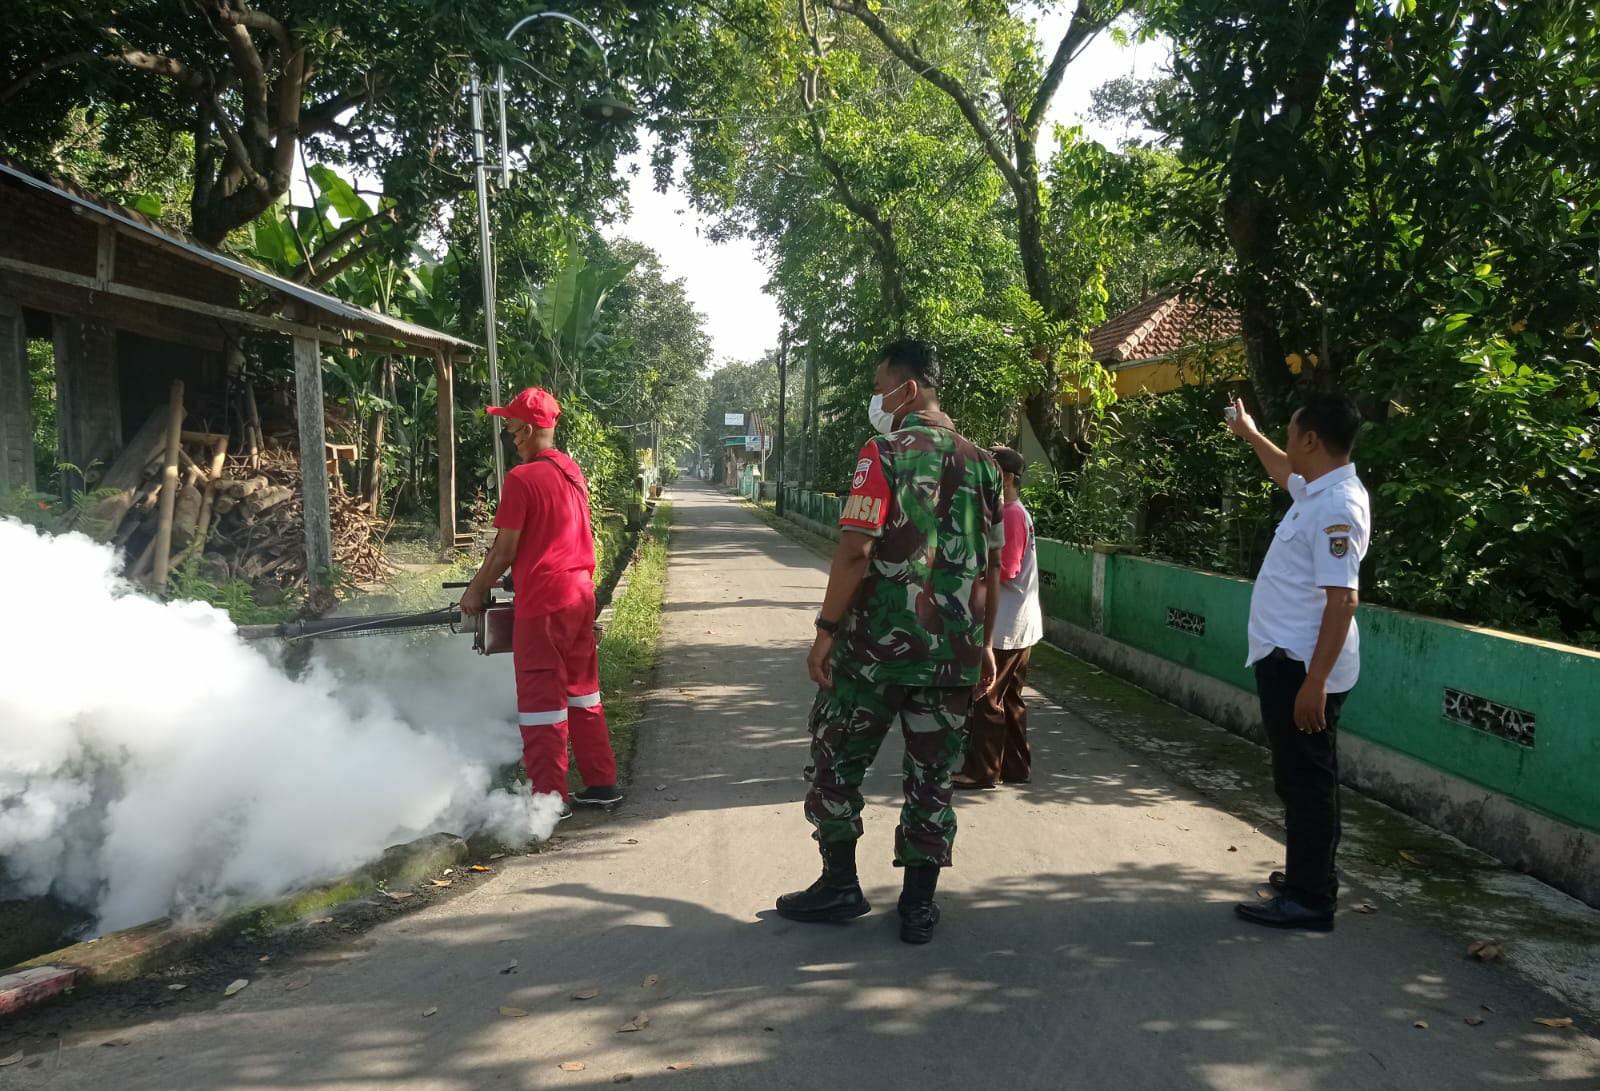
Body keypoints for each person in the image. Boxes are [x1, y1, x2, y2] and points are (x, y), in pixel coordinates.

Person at [775, 339, 1004, 945]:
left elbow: (855, 550)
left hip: (872, 656)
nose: (877, 399)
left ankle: (841, 885)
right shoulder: (982, 463)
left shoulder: (882, 452)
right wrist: (983, 643)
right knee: (932, 780)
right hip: (951, 656)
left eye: (880, 386)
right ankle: (919, 906)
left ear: (905, 389)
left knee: (835, 764)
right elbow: (991, 569)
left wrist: (825, 632)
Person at [1225, 392, 1369, 931]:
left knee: (1309, 782)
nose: (1286, 441)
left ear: (1311, 438)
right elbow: (1284, 472)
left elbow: (1344, 599)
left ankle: (1312, 900)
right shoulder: (1318, 492)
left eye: (1289, 431)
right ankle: (1305, 876)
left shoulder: (1339, 506)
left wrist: (1316, 681)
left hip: (1305, 668)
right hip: (1287, 661)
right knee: (1296, 777)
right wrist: (1251, 434)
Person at [460, 387, 624, 819]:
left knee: (541, 699)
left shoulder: (523, 479)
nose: (511, 438)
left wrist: (476, 590)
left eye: (512, 429)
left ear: (529, 429)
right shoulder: (572, 472)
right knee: (582, 693)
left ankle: (549, 798)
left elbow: (504, 550)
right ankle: (601, 783)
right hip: (579, 597)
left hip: (545, 604)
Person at [953, 446, 1042, 790]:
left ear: (1004, 478)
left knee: (987, 697)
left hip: (1007, 625)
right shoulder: (1011, 512)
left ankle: (983, 770)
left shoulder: (1012, 514)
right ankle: (1016, 766)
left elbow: (1004, 570)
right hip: (1019, 623)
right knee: (1011, 697)